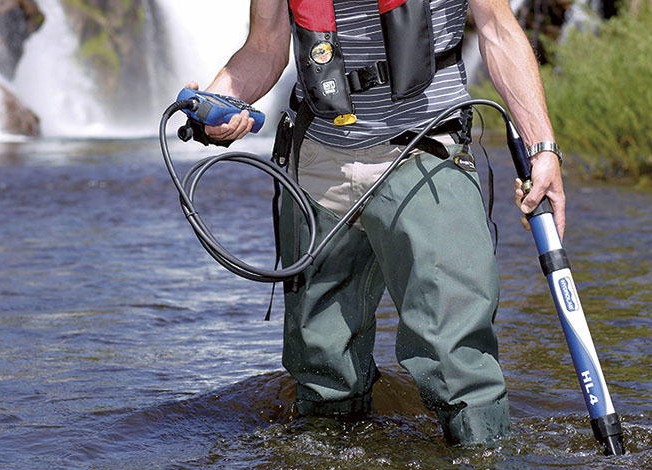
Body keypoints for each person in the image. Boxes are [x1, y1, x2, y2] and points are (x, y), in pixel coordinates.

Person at [189, 0, 566, 445]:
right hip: (315, 168)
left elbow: (498, 29)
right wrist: (219, 103)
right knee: (322, 364)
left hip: (425, 154)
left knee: (458, 359)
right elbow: (264, 47)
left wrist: (542, 147)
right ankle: (326, 467)